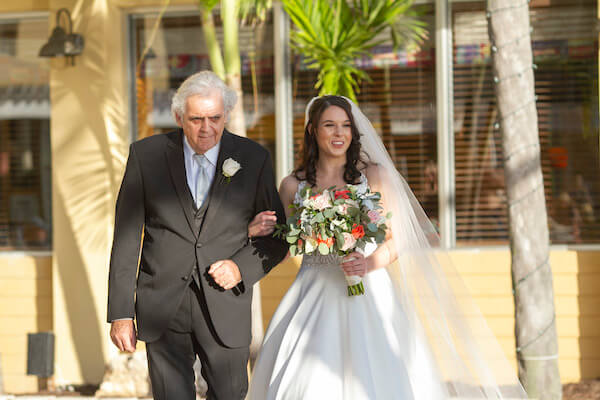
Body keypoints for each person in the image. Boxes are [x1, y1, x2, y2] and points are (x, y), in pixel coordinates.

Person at [246, 95, 528, 399]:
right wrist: (259, 231)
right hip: (312, 291)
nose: (339, 133)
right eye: (329, 125)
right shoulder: (292, 185)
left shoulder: (374, 176)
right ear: (313, 130)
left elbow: (398, 239)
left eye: (345, 126)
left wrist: (366, 264)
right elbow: (286, 243)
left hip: (369, 291)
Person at [106, 71, 288, 400]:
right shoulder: (145, 156)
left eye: (215, 118)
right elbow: (126, 239)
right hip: (162, 304)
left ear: (227, 114)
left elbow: (276, 236)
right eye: (196, 119)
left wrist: (240, 268)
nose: (207, 129)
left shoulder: (253, 158)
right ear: (178, 117)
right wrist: (121, 313)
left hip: (225, 303)